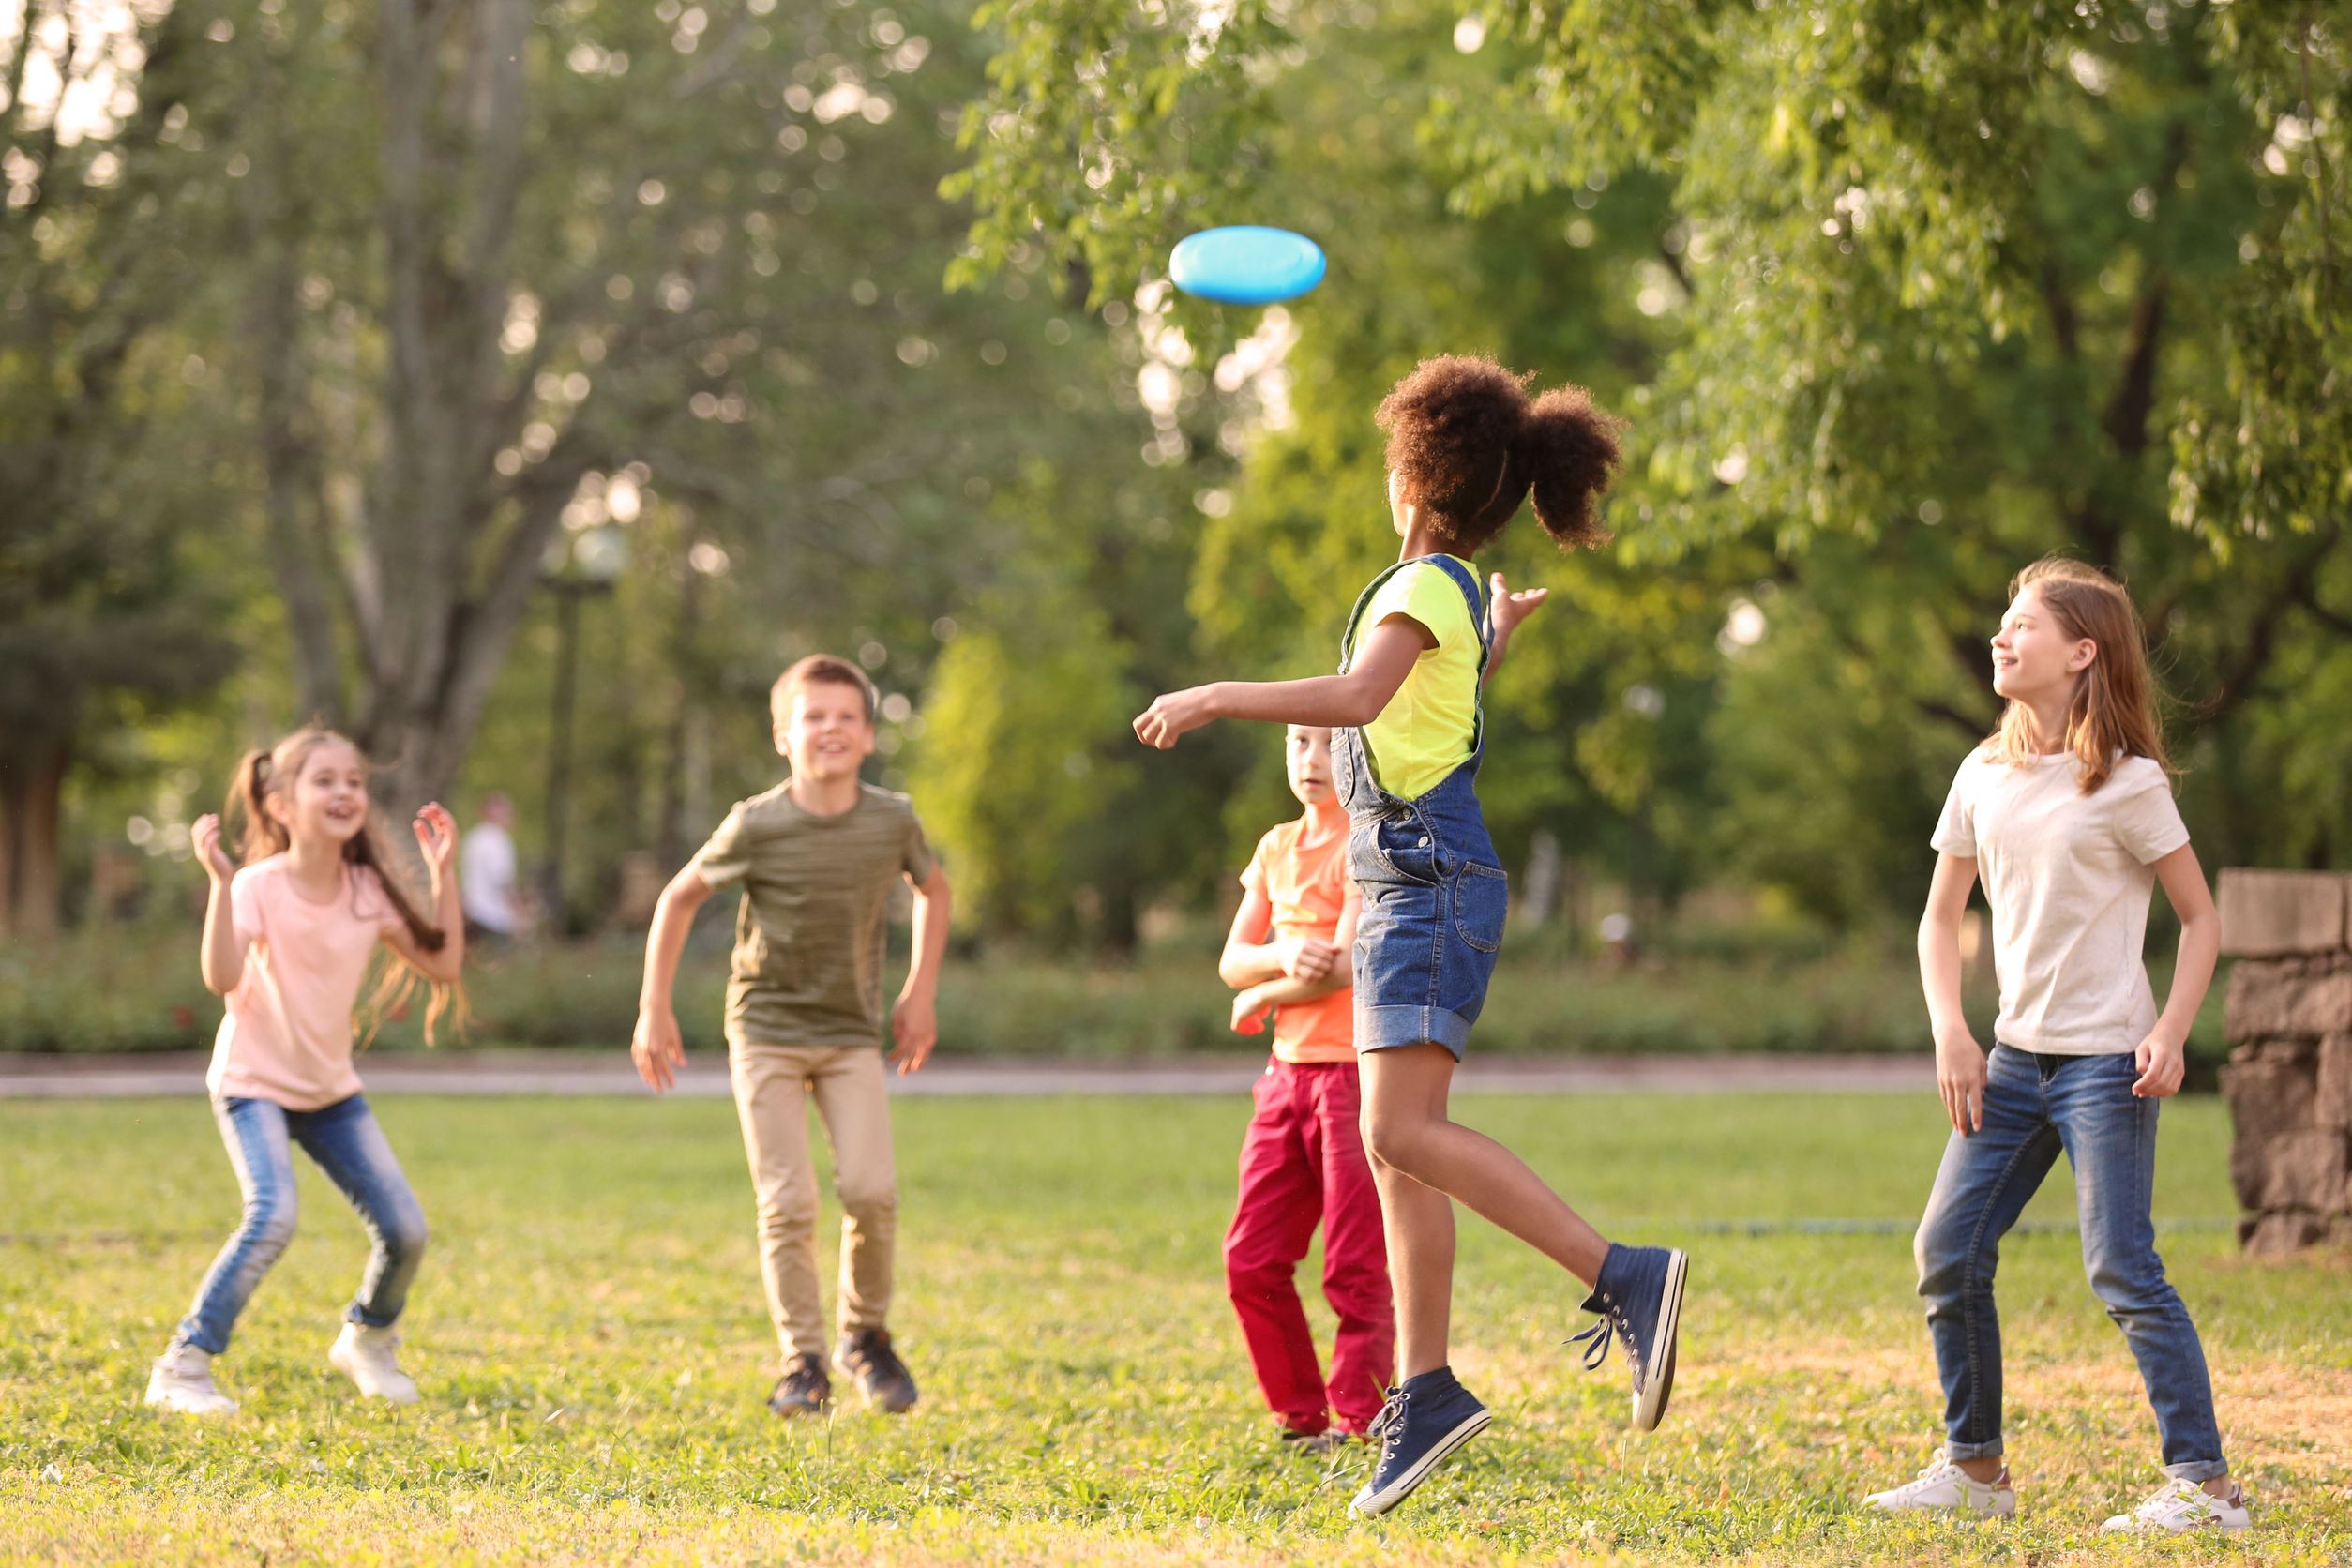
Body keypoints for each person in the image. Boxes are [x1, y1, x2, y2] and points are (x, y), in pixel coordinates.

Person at [1134, 355, 1686, 1517]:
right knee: (1394, 1148)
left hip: (1424, 879)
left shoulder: (1425, 583)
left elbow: (1360, 701)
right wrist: (1501, 641)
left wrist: (1216, 694)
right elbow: (1435, 704)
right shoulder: (1450, 594)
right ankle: (1425, 1388)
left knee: (1398, 1127)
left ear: (1417, 482)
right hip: (1409, 876)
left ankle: (1623, 1274)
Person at [1865, 558, 2248, 1533]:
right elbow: (1939, 914)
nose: (2002, 637)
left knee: (2121, 1265)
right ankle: (1977, 1470)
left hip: (2104, 1065)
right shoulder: (1982, 771)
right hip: (2010, 1060)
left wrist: (2170, 1031)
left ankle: (2205, 1488)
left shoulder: (2128, 781)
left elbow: (2199, 920)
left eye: (2022, 624)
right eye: (2003, 622)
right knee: (1946, 1250)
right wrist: (1952, 1029)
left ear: (2082, 652)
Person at [631, 654, 952, 1418]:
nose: (830, 729)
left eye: (846, 716)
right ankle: (802, 1363)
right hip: (766, 1029)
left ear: (870, 735)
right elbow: (678, 898)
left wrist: (919, 992)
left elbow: (934, 891)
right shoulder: (758, 822)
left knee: (871, 1190)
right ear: (783, 735)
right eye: (813, 716)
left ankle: (865, 1338)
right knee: (789, 1201)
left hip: (849, 1032)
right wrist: (654, 1005)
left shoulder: (891, 819)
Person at [145, 727, 464, 1416]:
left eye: (354, 780)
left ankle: (367, 1341)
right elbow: (221, 977)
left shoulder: (366, 890)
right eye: (326, 780)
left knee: (406, 1231)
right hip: (252, 1082)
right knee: (272, 1217)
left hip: (330, 1092)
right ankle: (181, 1367)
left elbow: (443, 965)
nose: (346, 791)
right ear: (282, 804)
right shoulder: (258, 886)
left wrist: (443, 873)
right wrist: (221, 885)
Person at [1219, 724, 1389, 1451]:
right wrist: (1278, 957)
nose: (1311, 760)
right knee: (1251, 1259)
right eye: (1297, 743)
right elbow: (1232, 958)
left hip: (1353, 1078)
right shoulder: (1275, 847)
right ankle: (1301, 1417)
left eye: (1328, 744)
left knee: (1354, 1267)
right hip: (1283, 1079)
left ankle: (1361, 1421)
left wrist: (1260, 996)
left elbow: (1348, 964)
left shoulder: (1365, 842)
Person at [460, 792, 522, 945]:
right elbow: (502, 879)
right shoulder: (499, 839)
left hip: (471, 909)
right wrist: (516, 908)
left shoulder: (472, 837)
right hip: (494, 914)